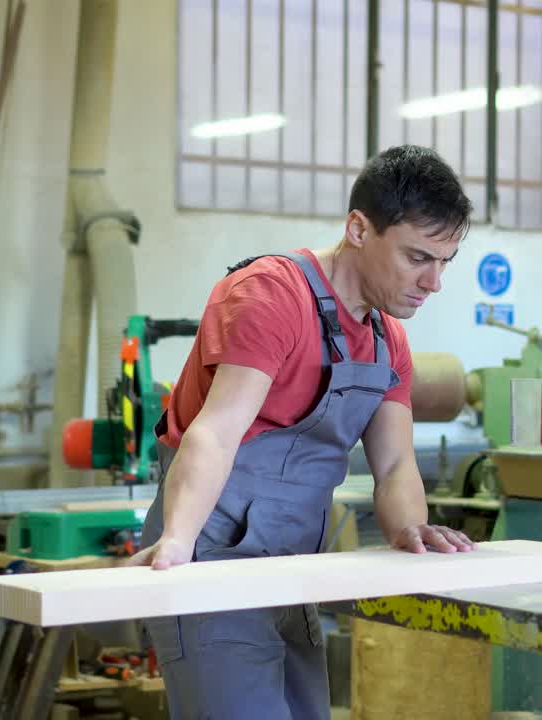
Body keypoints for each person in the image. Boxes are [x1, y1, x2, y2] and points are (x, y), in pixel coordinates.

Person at [133, 145, 477, 719]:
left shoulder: (388, 338)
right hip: (212, 558)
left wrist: (413, 532)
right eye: (419, 257)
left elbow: (394, 465)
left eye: (446, 261)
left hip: (294, 570)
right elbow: (215, 433)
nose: (434, 282)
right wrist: (177, 544)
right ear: (359, 229)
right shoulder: (270, 295)